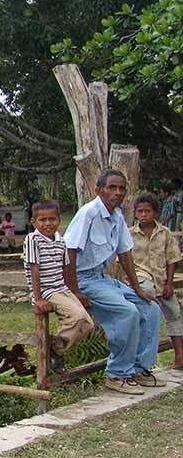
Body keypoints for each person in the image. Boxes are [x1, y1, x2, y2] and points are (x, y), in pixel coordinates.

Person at [64, 168, 164, 395]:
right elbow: (69, 251)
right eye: (112, 187)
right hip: (84, 280)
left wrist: (137, 289)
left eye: (121, 188)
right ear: (99, 190)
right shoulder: (88, 213)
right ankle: (117, 373)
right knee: (127, 312)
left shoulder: (117, 216)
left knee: (150, 308)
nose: (118, 192)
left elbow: (125, 253)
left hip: (102, 278)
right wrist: (75, 291)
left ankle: (138, 369)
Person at [23, 201, 94, 368]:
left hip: (61, 288)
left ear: (59, 220)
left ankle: (55, 347)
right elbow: (34, 269)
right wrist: (38, 299)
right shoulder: (33, 239)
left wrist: (74, 292)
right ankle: (54, 352)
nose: (48, 223)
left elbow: (65, 268)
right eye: (43, 220)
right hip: (47, 290)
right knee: (77, 316)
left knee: (88, 324)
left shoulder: (60, 240)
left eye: (52, 219)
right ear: (34, 222)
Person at [131, 192, 183, 369]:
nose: (143, 215)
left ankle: (179, 355)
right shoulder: (130, 234)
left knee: (175, 313)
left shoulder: (165, 233)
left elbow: (172, 259)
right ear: (135, 213)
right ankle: (143, 360)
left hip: (161, 281)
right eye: (140, 211)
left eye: (147, 211)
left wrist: (169, 283)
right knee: (146, 314)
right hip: (141, 282)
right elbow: (123, 260)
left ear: (155, 213)